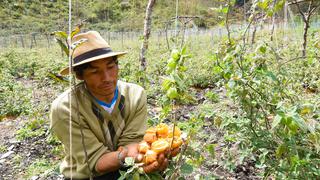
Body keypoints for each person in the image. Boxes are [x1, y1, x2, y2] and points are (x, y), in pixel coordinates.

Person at [49, 31, 175, 180]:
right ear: (80, 75)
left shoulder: (135, 95)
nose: (107, 78)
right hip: (88, 175)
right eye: (95, 72)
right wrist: (132, 156)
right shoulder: (65, 108)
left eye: (110, 67)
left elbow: (132, 141)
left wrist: (145, 155)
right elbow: (95, 161)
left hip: (127, 165)